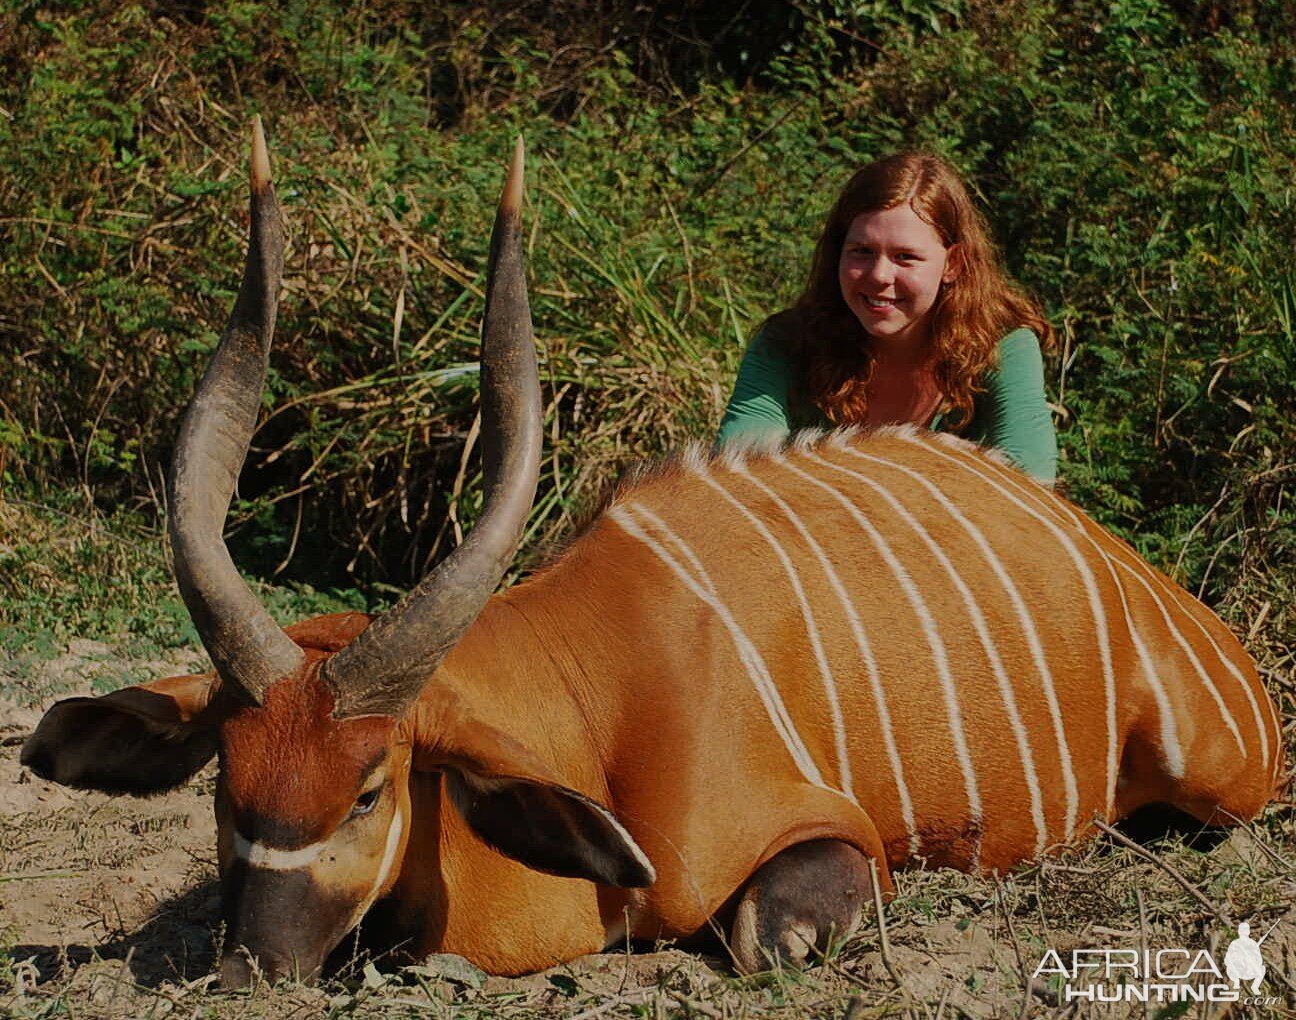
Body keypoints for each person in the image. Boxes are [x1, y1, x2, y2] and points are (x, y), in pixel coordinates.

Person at [717, 151, 1058, 485]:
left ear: (953, 264)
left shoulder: (1002, 343)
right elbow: (740, 470)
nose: (880, 275)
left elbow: (1031, 482)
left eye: (905, 257)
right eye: (862, 252)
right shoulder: (786, 342)